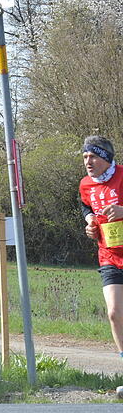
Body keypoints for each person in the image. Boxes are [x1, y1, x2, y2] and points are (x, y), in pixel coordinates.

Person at [79, 135, 123, 362]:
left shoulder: (122, 176)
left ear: (106, 158)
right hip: (109, 256)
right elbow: (86, 206)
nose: (88, 161)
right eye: (85, 156)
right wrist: (89, 223)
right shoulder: (86, 184)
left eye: (93, 156)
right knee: (114, 313)